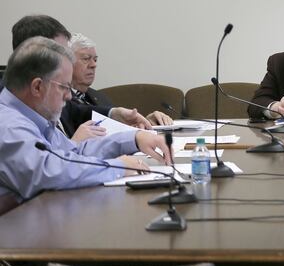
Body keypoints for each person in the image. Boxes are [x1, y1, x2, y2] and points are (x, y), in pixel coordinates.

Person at [0, 36, 172, 203]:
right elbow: (47, 171)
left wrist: (134, 138)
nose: (68, 97)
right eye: (64, 87)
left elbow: (73, 154)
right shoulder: (8, 125)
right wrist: (117, 167)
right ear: (37, 87)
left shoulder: (32, 117)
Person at [9, 15, 152, 142]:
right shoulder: (11, 119)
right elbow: (46, 167)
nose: (69, 95)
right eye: (61, 54)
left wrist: (115, 115)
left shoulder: (43, 94)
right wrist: (74, 146)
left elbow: (75, 111)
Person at [68, 33, 173, 127]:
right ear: (67, 62)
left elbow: (118, 129)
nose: (94, 65)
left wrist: (146, 123)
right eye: (86, 59)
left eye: (95, 60)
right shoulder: (61, 101)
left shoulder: (99, 97)